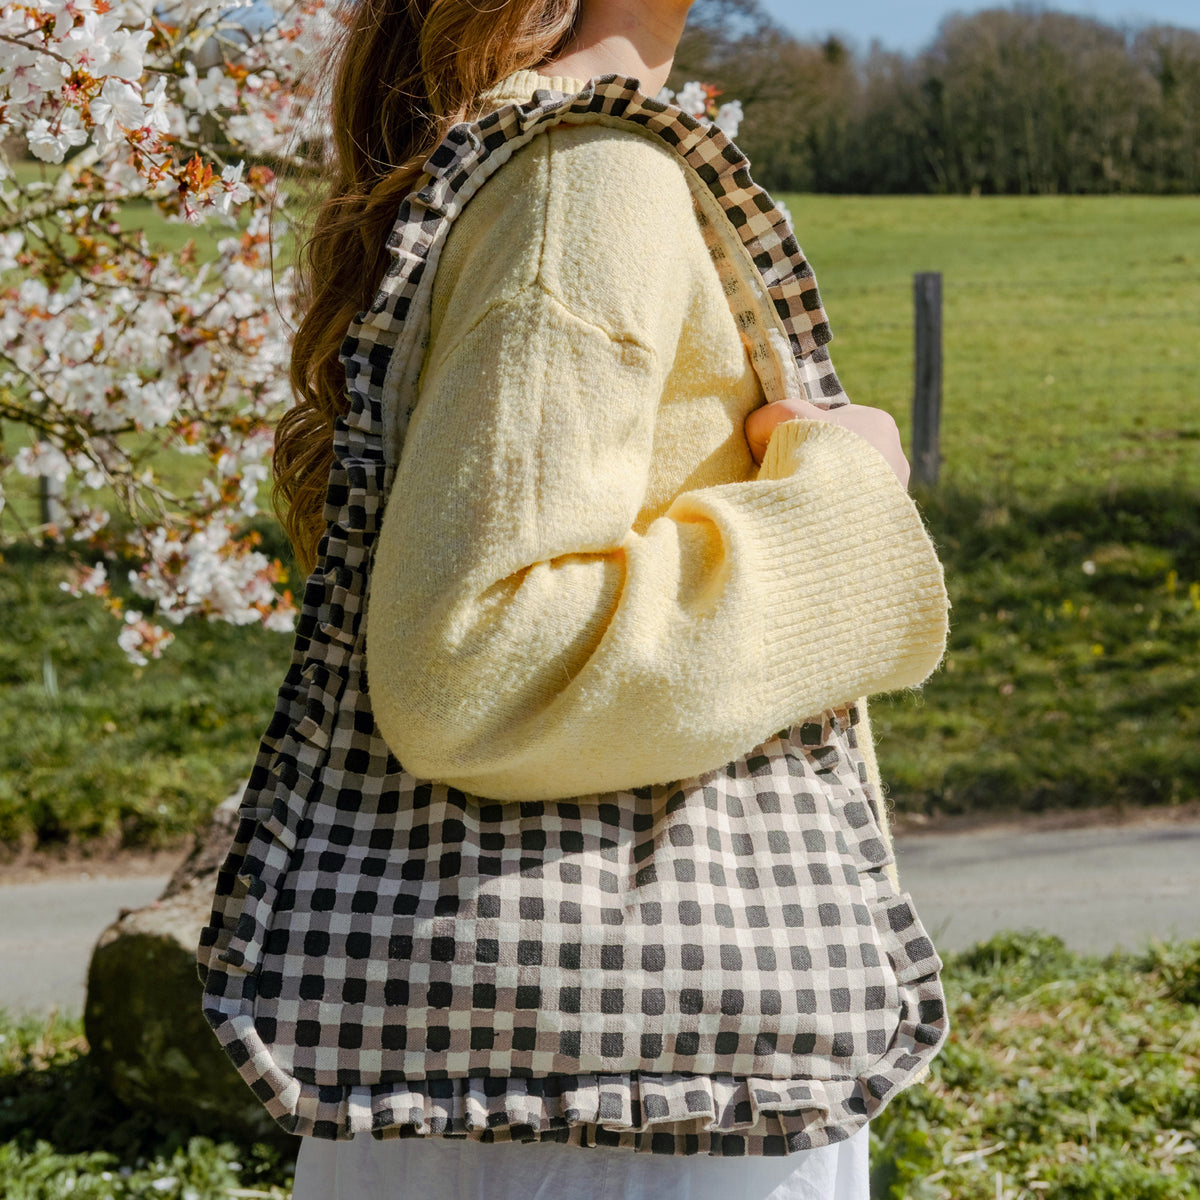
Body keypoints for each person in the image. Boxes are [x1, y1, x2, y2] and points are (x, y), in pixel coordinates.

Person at [259, 1, 952, 1197]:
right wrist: (848, 501)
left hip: (546, 1081)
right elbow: (478, 659)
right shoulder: (593, 177)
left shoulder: (550, 152)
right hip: (626, 1112)